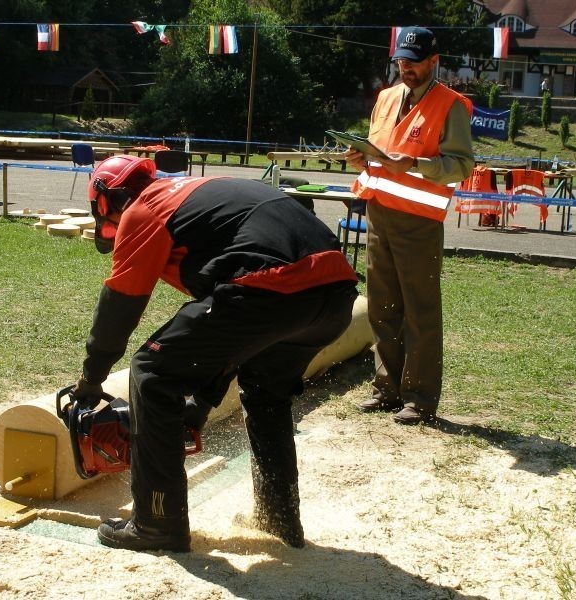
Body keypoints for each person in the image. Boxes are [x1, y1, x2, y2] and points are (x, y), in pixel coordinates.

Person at [71, 155, 359, 552]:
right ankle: (280, 520)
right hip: (335, 296)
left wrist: (92, 376)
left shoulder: (145, 209)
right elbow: (232, 338)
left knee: (152, 370)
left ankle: (157, 524)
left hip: (269, 287)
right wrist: (202, 402)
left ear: (106, 202)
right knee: (265, 394)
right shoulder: (196, 193)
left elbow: (121, 303)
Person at [345, 26, 474, 425]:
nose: (406, 69)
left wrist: (415, 164)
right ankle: (386, 387)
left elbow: (462, 166)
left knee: (419, 311)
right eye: (401, 62)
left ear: (434, 62)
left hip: (419, 222)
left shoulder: (451, 105)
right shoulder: (384, 99)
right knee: (381, 306)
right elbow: (376, 153)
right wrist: (359, 161)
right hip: (379, 213)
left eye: (414, 63)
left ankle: (418, 397)